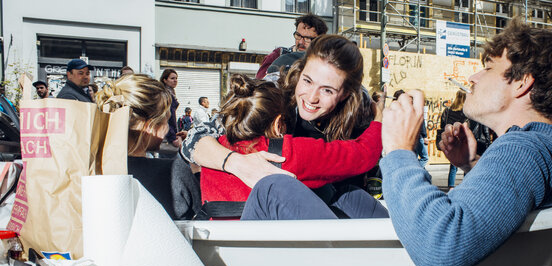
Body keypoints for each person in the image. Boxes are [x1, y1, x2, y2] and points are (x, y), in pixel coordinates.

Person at [379, 19, 552, 266]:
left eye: (488, 68)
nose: (473, 77)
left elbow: (441, 249)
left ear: (521, 84)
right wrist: (473, 164)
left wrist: (399, 151)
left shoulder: (523, 150)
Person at [181, 35, 378, 215]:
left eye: (327, 91)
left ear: (344, 94)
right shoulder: (275, 93)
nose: (311, 97)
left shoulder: (360, 110)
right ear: (299, 71)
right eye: (307, 81)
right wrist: (238, 164)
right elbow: (193, 139)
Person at [200, 74, 386, 219]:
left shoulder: (214, 151)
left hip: (227, 249)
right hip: (276, 250)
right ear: (278, 123)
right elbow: (363, 154)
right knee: (345, 194)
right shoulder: (287, 153)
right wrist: (378, 117)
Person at [95, 74, 200, 219]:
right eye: (166, 121)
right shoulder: (174, 171)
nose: (168, 128)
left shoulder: (90, 169)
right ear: (149, 125)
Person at [255, 14, 328, 80]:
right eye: (298, 35)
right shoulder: (277, 55)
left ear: (319, 40)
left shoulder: (324, 62)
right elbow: (260, 83)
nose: (300, 42)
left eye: (307, 38)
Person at [437, 90, 467, 187]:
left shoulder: (448, 110)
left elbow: (442, 124)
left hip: (452, 139)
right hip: (463, 139)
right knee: (467, 165)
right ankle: (466, 185)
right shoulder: (466, 111)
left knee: (453, 165)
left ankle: (451, 187)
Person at [159, 68, 182, 148]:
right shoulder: (165, 95)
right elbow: (166, 118)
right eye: (172, 78)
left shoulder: (171, 93)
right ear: (165, 80)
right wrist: (172, 137)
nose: (175, 80)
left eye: (176, 78)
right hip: (167, 137)